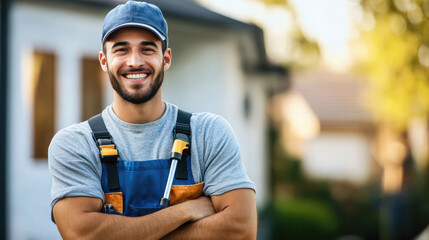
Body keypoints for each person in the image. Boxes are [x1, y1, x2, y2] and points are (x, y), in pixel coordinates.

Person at [48, 1, 257, 239]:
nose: (135, 62)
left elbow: (241, 230)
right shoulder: (75, 144)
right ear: (104, 61)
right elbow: (82, 234)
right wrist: (186, 210)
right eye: (121, 49)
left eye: (147, 49)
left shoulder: (208, 133)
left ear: (166, 59)